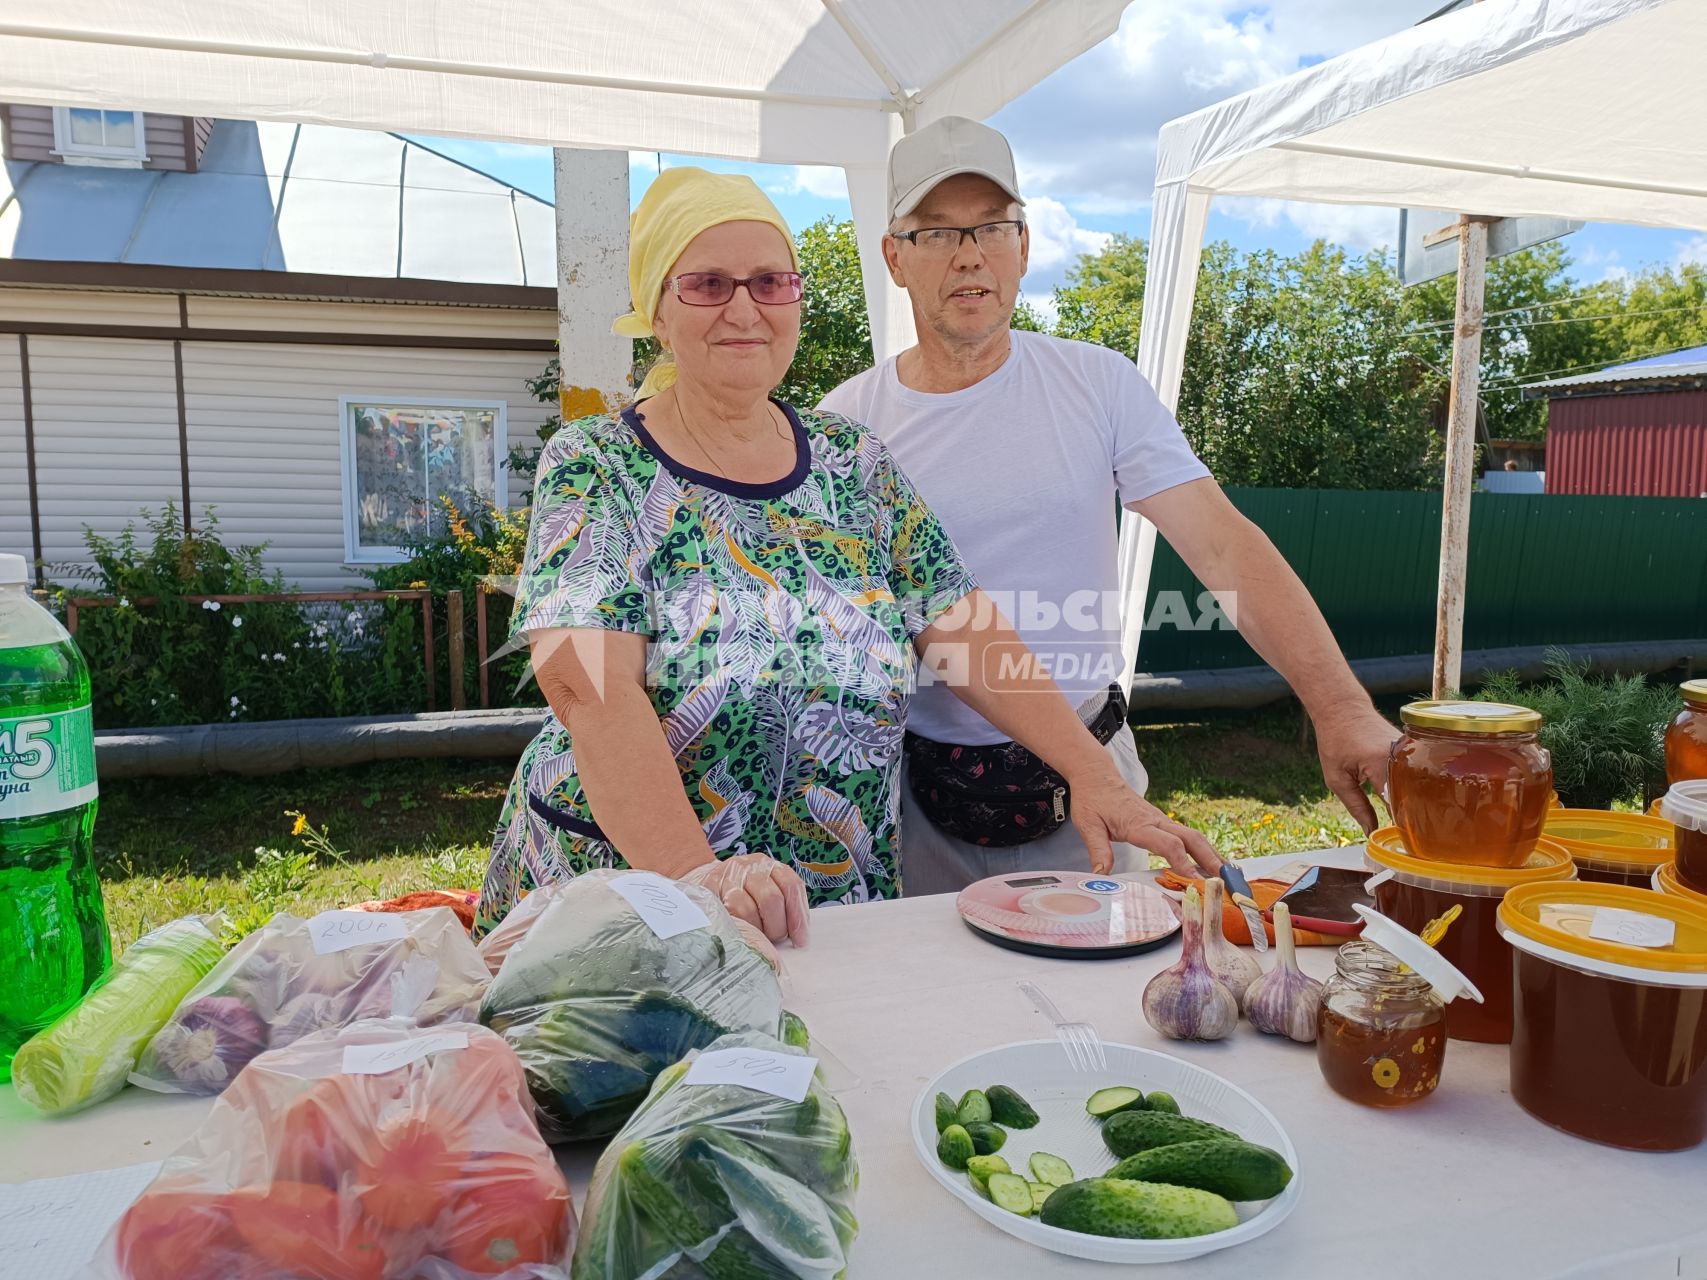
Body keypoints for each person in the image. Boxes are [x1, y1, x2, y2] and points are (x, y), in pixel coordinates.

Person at [475, 167, 1221, 945]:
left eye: (770, 282)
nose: (743, 308)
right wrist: (697, 886)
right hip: (641, 894)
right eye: (705, 284)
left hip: (827, 891)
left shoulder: (850, 458)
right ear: (657, 311)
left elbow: (962, 629)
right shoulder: (598, 462)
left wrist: (1090, 771)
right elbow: (588, 685)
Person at [821, 116, 1400, 897]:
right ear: (894, 257)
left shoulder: (1096, 385)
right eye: (935, 233)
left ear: (1023, 247)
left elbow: (1222, 546)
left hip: (1092, 799)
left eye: (992, 227)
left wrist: (1339, 708)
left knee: (1103, 1006)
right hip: (915, 802)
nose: (969, 254)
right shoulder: (846, 424)